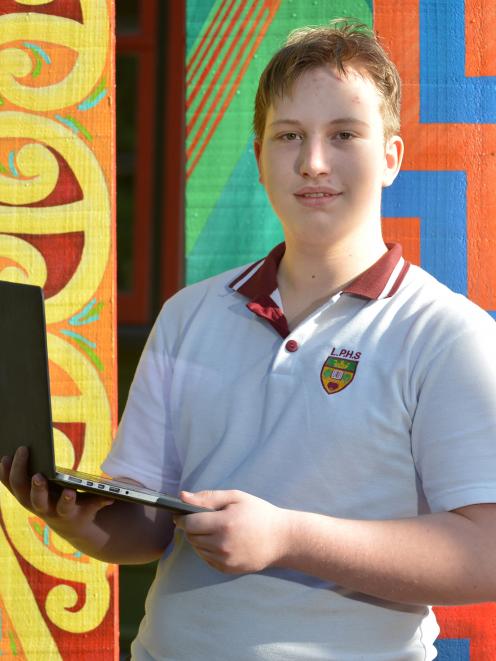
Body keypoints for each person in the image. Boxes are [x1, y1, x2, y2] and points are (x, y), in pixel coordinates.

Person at [2, 19, 496, 660]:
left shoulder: (447, 333)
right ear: (260, 158)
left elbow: (485, 555)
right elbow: (146, 531)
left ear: (392, 158)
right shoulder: (189, 315)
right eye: (289, 136)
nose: (313, 161)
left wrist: (288, 537)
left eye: (343, 135)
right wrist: (76, 520)